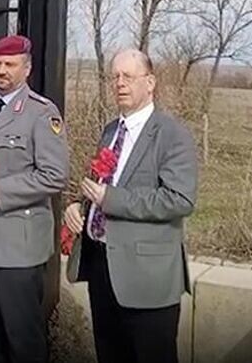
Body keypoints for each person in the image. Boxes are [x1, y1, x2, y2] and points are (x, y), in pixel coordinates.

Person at [63, 48, 198, 363]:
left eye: (128, 77)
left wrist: (110, 200)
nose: (119, 84)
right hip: (103, 270)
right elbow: (100, 187)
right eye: (115, 77)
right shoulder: (110, 131)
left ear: (149, 83)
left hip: (148, 280)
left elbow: (180, 199)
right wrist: (79, 208)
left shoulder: (172, 135)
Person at [0, 34, 69, 363]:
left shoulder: (40, 112)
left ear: (27, 68)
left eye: (10, 64)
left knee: (23, 339)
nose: (2, 71)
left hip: (17, 245)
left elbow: (55, 175)